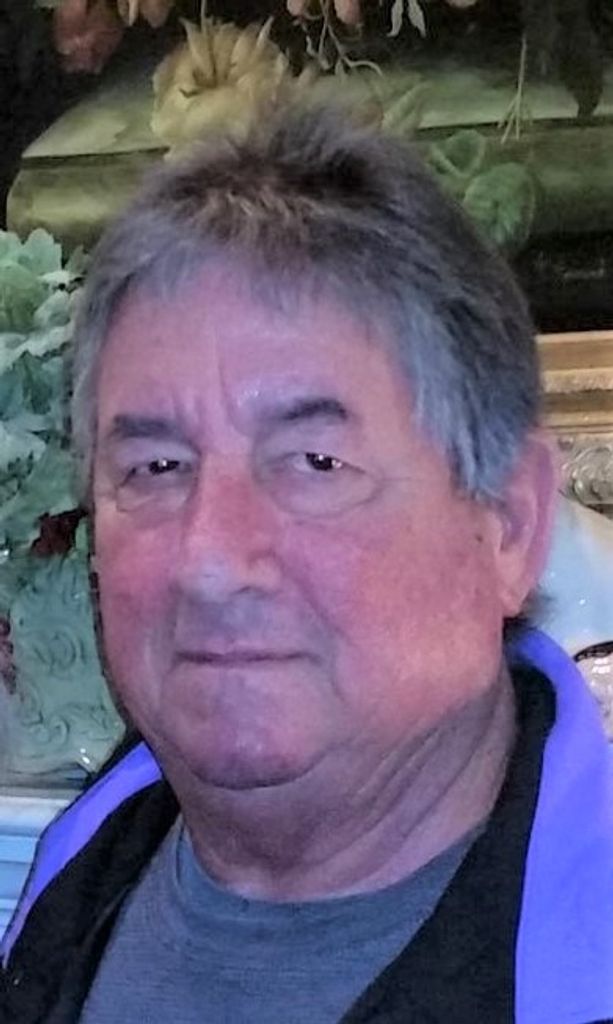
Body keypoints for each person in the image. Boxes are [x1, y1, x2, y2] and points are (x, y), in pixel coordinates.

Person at [1, 103, 612, 1024]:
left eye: (315, 463)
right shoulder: (73, 885)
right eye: (156, 468)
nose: (210, 559)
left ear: (508, 524)